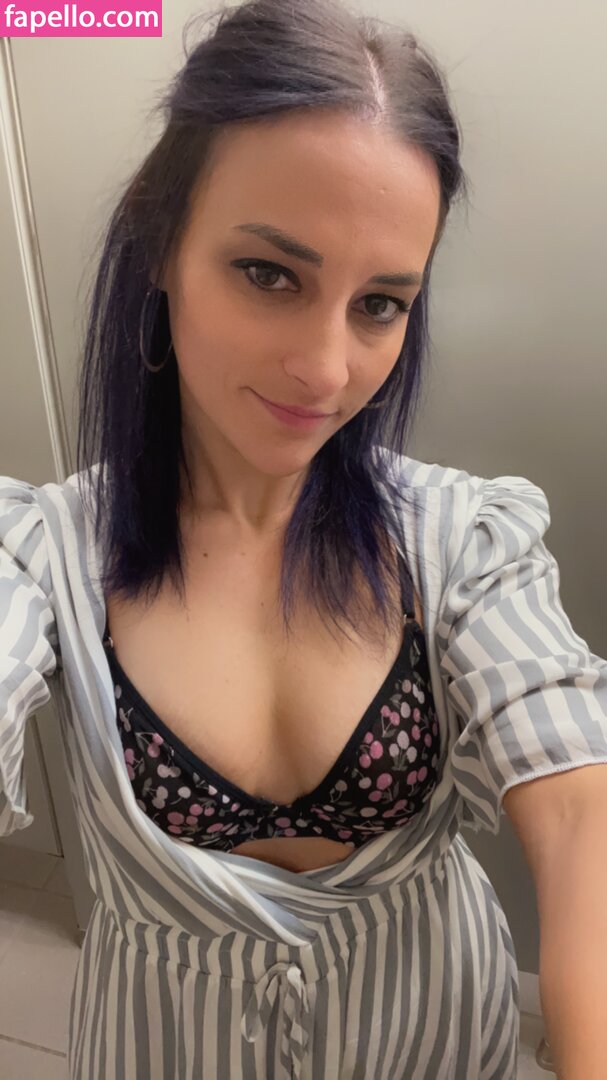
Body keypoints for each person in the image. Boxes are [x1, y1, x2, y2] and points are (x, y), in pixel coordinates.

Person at [1, 1, 606, 1077]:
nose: (327, 370)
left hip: (431, 1038)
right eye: (269, 274)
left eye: (379, 304)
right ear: (160, 245)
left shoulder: (460, 541)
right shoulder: (45, 555)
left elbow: (577, 816)